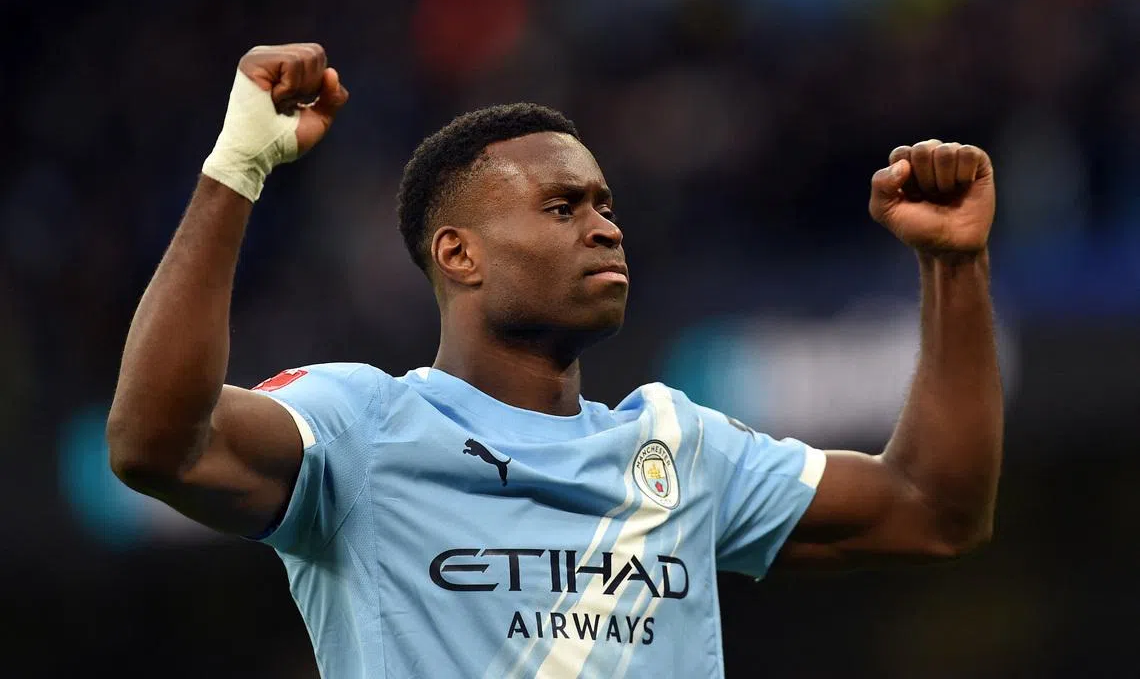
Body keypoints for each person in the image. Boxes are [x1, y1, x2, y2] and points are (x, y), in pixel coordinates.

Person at [107, 43, 1003, 678]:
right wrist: (237, 166)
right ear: (459, 255)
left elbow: (932, 510)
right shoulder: (364, 428)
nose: (606, 226)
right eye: (562, 206)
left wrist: (953, 263)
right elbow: (158, 444)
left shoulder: (679, 448)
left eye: (606, 204)